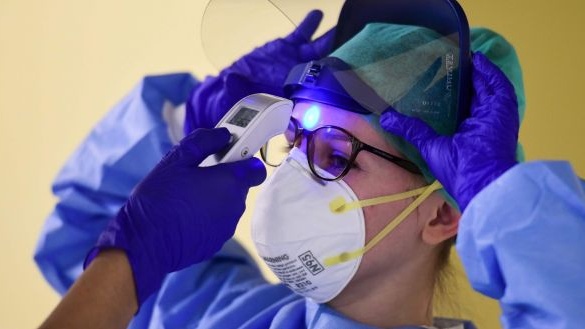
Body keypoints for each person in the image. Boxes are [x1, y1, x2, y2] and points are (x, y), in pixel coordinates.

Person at [36, 6, 584, 329]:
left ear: (441, 215)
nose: (294, 173)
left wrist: (503, 200)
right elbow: (91, 243)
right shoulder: (217, 312)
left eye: (336, 154)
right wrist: (193, 124)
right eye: (294, 139)